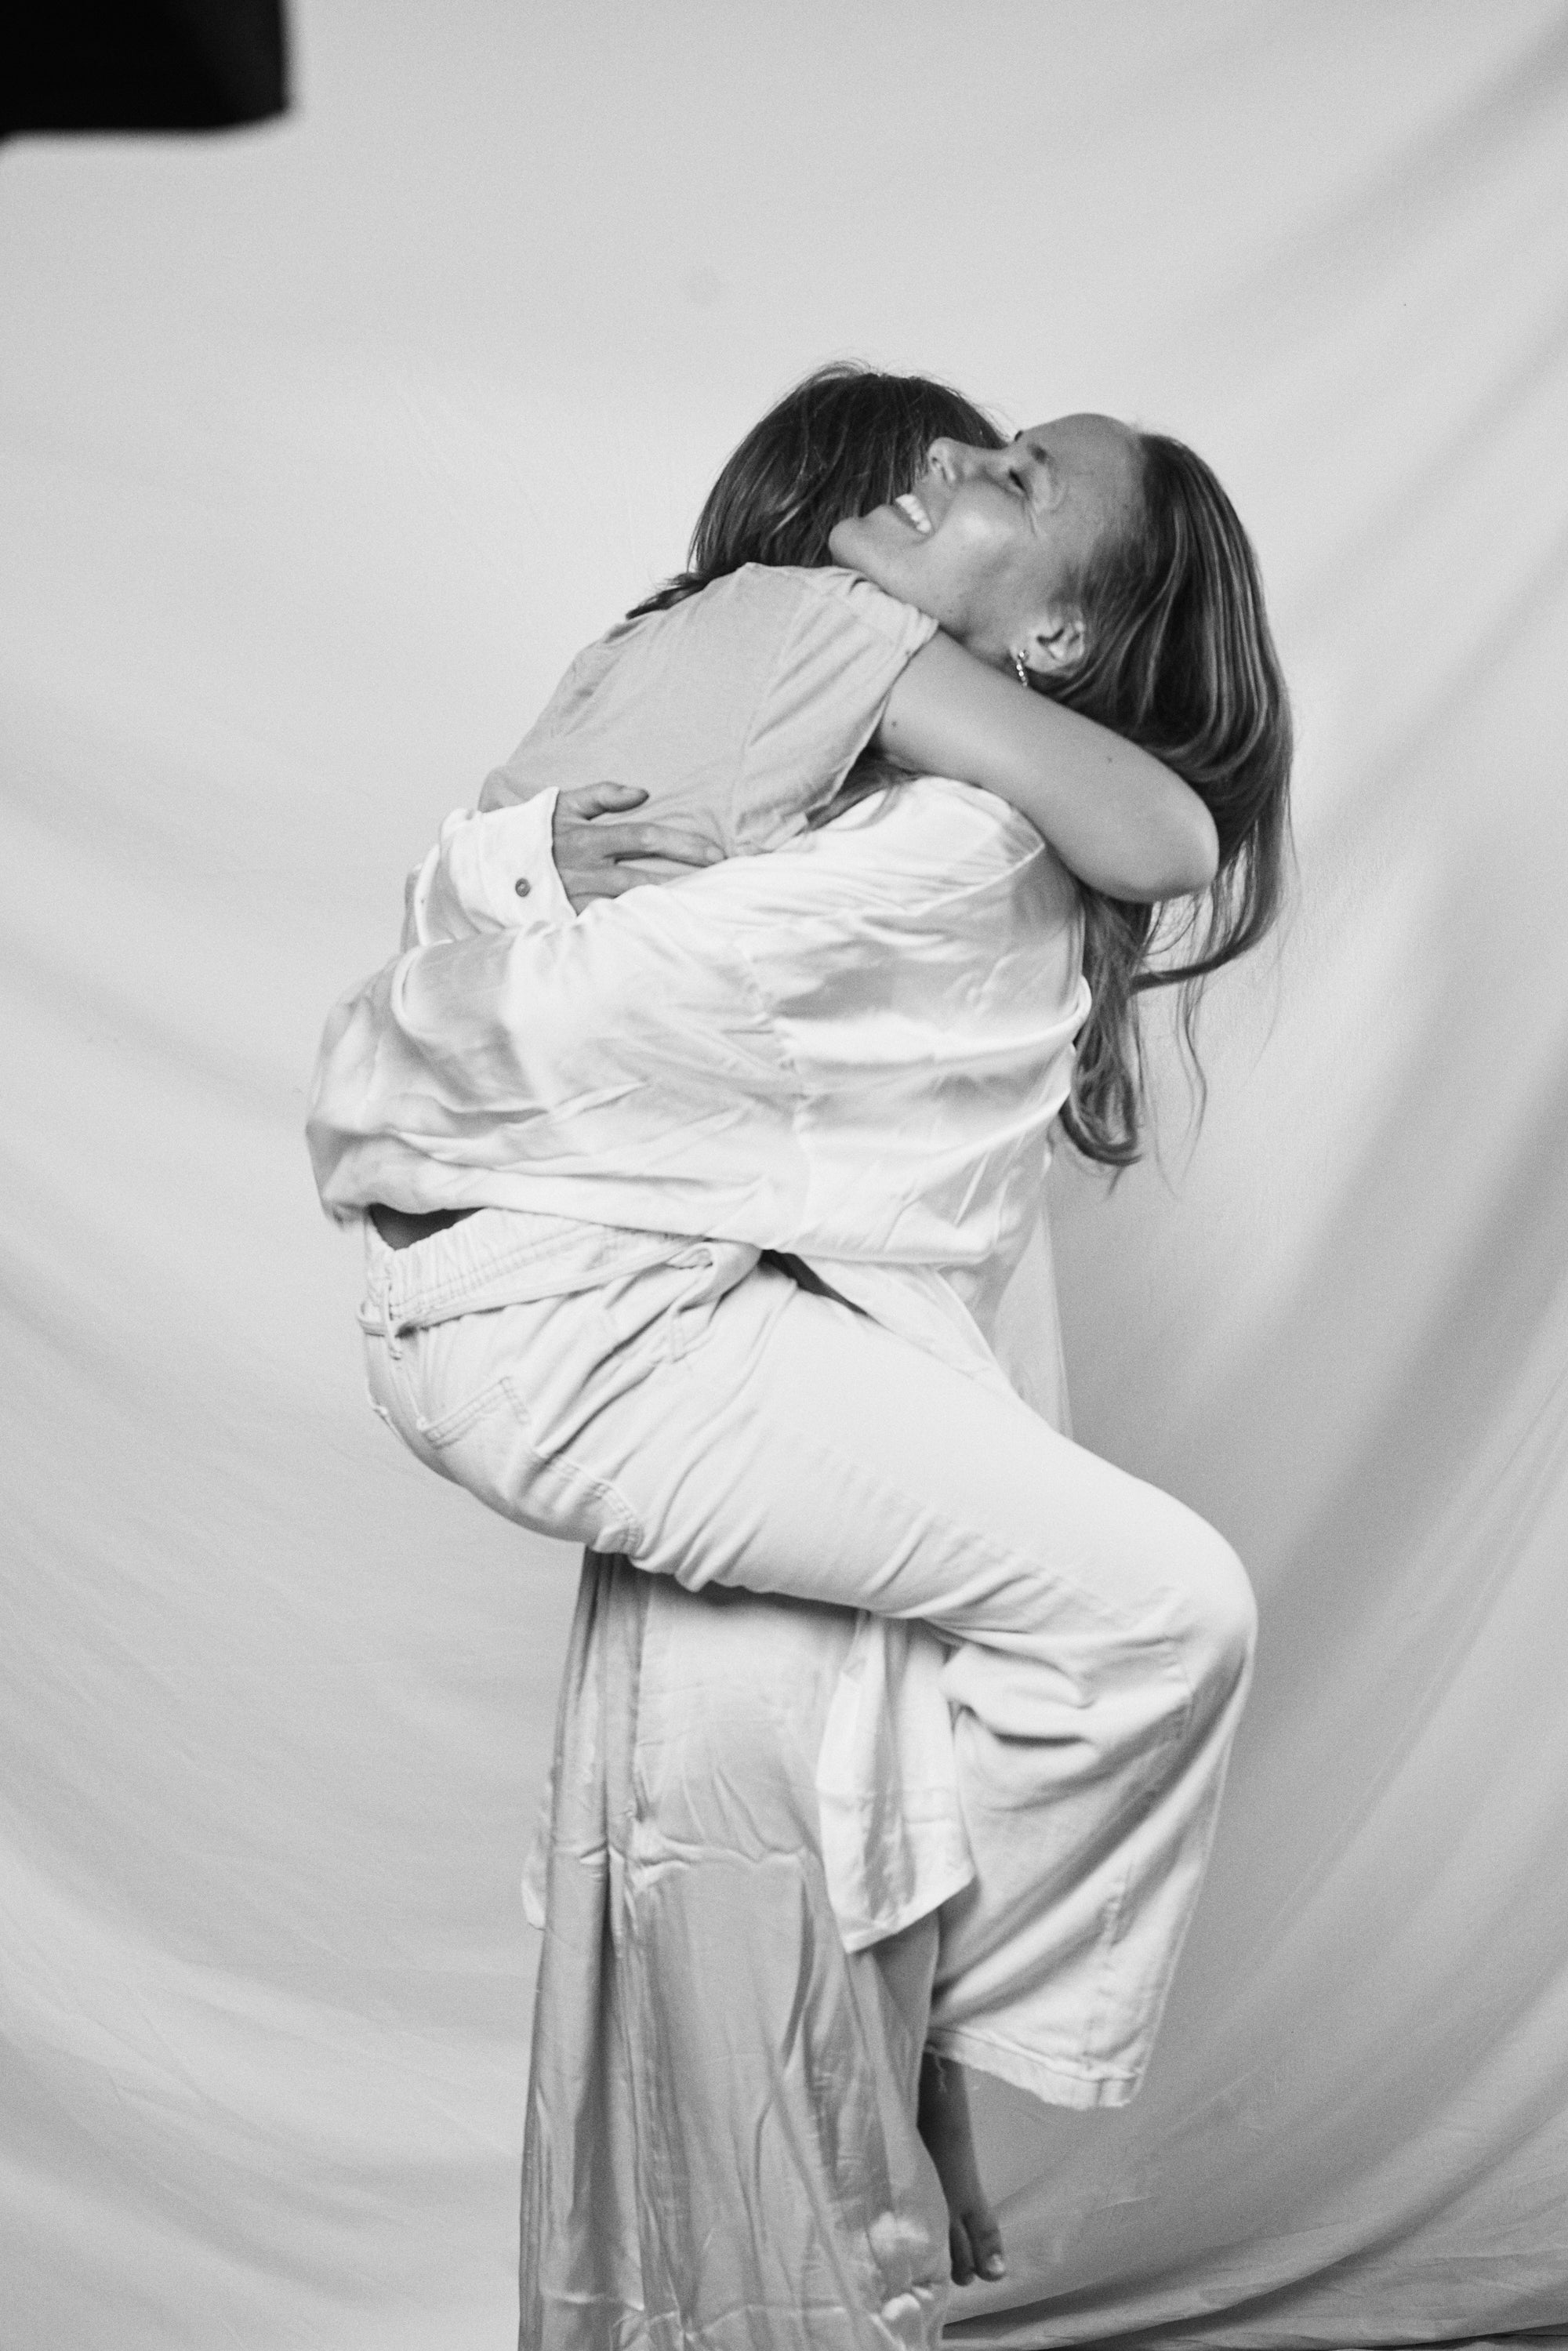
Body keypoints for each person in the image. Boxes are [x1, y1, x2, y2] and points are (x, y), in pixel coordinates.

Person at [307, 365, 1291, 2338]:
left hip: (663, 1354)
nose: (953, 470)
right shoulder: (846, 748)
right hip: (617, 1343)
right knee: (771, 1986)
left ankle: (900, 2099)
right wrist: (490, 912)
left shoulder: (954, 831)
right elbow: (535, 1000)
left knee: (737, 1970)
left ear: (1058, 631)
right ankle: (905, 2104)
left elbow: (497, 1031)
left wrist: (426, 988)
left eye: (1009, 471)